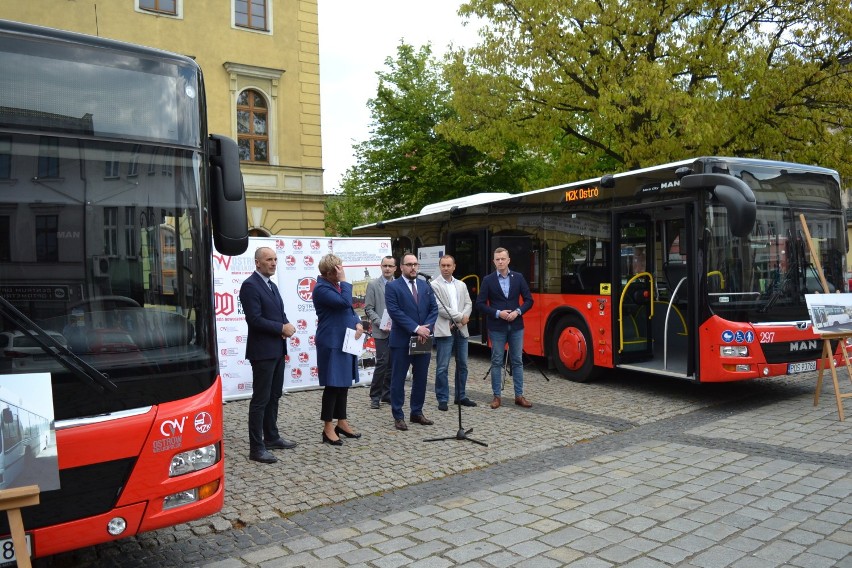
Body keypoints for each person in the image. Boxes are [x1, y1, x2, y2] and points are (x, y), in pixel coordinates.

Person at [239, 246, 298, 464]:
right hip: (262, 352)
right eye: (269, 260)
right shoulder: (250, 286)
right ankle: (256, 448)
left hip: (276, 349)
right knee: (260, 400)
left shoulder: (271, 285)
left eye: (275, 259)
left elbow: (278, 313)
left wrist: (285, 324)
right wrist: (280, 328)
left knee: (274, 396)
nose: (273, 263)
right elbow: (254, 319)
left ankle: (272, 437)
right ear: (257, 263)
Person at [312, 254, 365, 446]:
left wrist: (358, 322)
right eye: (337, 269)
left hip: (345, 340)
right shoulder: (321, 288)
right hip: (331, 341)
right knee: (333, 385)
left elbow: (349, 310)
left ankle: (341, 422)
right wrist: (344, 281)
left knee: (343, 384)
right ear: (328, 273)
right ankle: (327, 428)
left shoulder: (335, 285)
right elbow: (344, 302)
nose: (341, 271)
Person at [475, 247, 534, 409]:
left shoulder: (519, 278)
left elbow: (529, 300)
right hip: (497, 327)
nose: (500, 262)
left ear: (508, 260)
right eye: (497, 259)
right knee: (496, 361)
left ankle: (519, 395)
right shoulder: (488, 280)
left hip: (516, 326)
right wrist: (497, 313)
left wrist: (518, 311)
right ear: (493, 262)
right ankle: (496, 397)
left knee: (517, 361)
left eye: (503, 259)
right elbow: (479, 304)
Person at [385, 253, 438, 431]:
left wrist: (427, 329)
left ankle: (417, 412)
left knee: (421, 378)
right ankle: (398, 415)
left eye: (415, 264)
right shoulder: (393, 287)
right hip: (402, 340)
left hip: (423, 339)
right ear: (401, 267)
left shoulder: (425, 285)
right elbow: (395, 312)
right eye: (409, 264)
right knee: (398, 379)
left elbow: (434, 309)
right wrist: (416, 328)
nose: (413, 267)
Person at [430, 254, 476, 411]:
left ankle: (460, 396)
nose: (446, 268)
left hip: (461, 330)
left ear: (454, 266)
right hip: (445, 330)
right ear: (439, 266)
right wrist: (460, 318)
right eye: (443, 265)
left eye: (449, 265)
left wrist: (463, 318)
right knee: (442, 366)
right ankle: (442, 398)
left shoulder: (461, 285)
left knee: (462, 365)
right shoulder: (434, 285)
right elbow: (440, 307)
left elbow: (469, 303)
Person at [364, 255, 396, 409]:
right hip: (381, 331)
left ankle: (387, 393)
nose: (388, 269)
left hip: (396, 331)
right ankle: (375, 396)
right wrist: (380, 323)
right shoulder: (373, 285)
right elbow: (368, 308)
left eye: (391, 266)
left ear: (395, 268)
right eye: (385, 266)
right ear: (381, 267)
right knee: (382, 363)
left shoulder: (398, 284)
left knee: (392, 364)